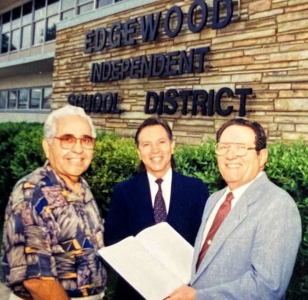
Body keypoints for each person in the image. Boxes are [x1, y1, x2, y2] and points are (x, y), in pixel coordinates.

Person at [167, 118, 302, 300]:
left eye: (241, 147)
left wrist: (198, 297)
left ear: (262, 156)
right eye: (224, 147)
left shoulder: (278, 206)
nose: (230, 155)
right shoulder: (214, 200)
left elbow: (268, 287)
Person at [1, 105, 107, 300]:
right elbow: (37, 281)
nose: (78, 148)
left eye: (86, 140)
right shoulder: (31, 193)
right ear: (47, 146)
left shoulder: (81, 187)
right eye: (67, 139)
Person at [104, 117, 209, 300]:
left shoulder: (196, 190)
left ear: (172, 146)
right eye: (146, 144)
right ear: (139, 152)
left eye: (161, 142)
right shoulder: (124, 191)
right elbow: (115, 243)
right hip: (134, 294)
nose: (155, 150)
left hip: (183, 294)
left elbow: (203, 247)